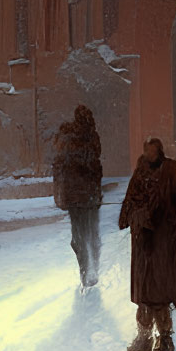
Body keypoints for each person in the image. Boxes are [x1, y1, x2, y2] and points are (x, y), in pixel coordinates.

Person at [118, 136, 176, 351]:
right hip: (143, 243)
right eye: (147, 151)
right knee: (145, 292)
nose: (149, 155)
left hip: (164, 242)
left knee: (160, 292)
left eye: (153, 151)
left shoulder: (173, 172)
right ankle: (144, 335)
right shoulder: (140, 173)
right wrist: (139, 215)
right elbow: (129, 205)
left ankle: (164, 337)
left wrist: (171, 222)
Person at [52, 105, 103, 288]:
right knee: (89, 235)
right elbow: (94, 166)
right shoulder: (88, 138)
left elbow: (60, 167)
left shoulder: (69, 139)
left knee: (81, 236)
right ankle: (91, 270)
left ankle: (86, 272)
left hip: (78, 196)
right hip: (86, 196)